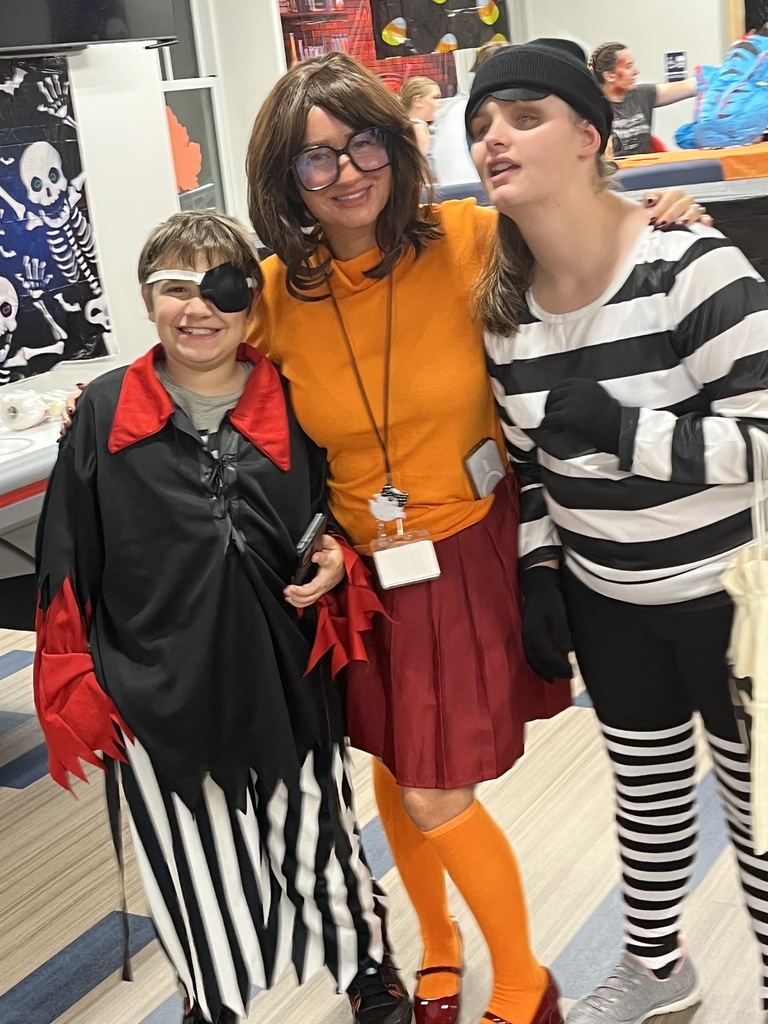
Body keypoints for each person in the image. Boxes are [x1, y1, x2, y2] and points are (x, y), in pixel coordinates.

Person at [59, 52, 708, 1024]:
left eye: (363, 142)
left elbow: (590, 235)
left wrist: (662, 214)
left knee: (438, 787)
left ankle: (527, 983)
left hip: (463, 545)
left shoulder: (476, 237)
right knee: (399, 769)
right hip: (358, 569)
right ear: (286, 181)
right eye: (315, 162)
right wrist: (106, 394)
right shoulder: (275, 293)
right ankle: (437, 948)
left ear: (397, 147)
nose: (347, 172)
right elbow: (196, 358)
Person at [34, 211, 411, 1024]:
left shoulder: (296, 399)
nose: (198, 309)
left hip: (284, 668)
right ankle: (211, 996)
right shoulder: (102, 413)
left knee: (316, 832)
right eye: (175, 288)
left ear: (251, 305)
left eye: (221, 288)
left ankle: (366, 968)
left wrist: (343, 553)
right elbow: (67, 566)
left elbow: (339, 503)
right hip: (156, 681)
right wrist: (86, 682)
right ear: (146, 299)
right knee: (189, 853)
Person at [466, 41, 768, 1024]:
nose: (492, 138)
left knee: (759, 817)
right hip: (611, 598)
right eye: (479, 124)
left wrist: (628, 432)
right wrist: (542, 567)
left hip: (731, 598)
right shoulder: (504, 315)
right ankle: (656, 965)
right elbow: (532, 466)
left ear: (590, 135)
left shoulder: (690, 263)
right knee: (646, 797)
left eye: (522, 115)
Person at [589, 41, 696, 157]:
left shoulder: (642, 95)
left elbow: (689, 86)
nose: (636, 71)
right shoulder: (594, 107)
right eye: (628, 67)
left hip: (645, 172)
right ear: (610, 75)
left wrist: (714, 77)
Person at [399, 77, 441, 159]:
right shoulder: (418, 127)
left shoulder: (407, 125)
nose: (439, 103)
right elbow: (426, 163)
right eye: (435, 98)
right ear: (417, 101)